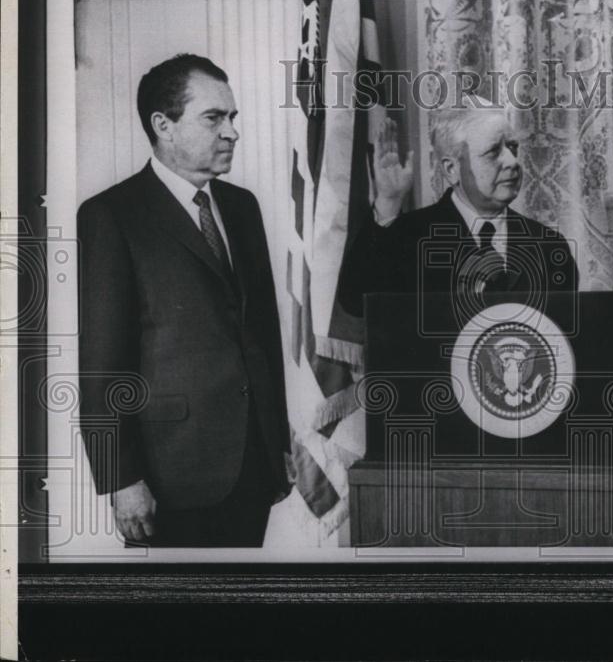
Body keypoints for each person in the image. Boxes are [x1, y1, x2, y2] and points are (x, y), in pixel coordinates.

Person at [77, 54, 291, 547]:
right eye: (214, 117)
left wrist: (276, 443)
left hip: (251, 467)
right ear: (163, 125)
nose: (232, 132)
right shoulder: (112, 215)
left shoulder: (243, 208)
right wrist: (120, 479)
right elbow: (102, 365)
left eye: (232, 117)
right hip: (168, 476)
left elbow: (263, 335)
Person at [338, 99, 578, 319]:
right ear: (452, 169)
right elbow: (355, 303)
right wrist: (388, 202)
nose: (512, 162)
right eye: (494, 151)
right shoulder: (407, 237)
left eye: (512, 148)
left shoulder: (548, 247)